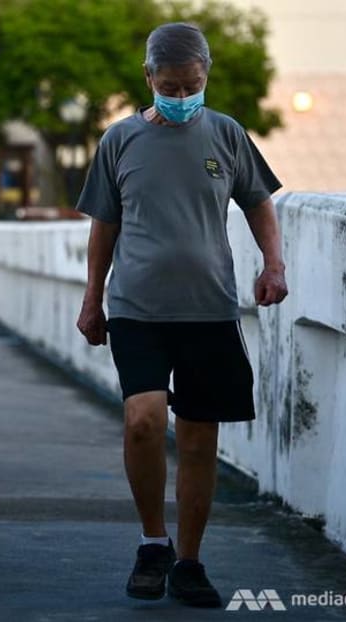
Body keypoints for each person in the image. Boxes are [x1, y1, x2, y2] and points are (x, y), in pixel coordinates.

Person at [75, 23, 287, 608]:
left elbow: (258, 201)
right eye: (169, 85)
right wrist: (93, 297)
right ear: (148, 78)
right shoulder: (119, 140)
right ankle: (152, 542)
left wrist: (274, 265)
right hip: (137, 308)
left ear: (206, 75)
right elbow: (103, 225)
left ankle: (189, 561)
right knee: (143, 420)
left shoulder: (226, 133)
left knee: (197, 440)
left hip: (209, 310)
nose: (181, 94)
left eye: (191, 84)